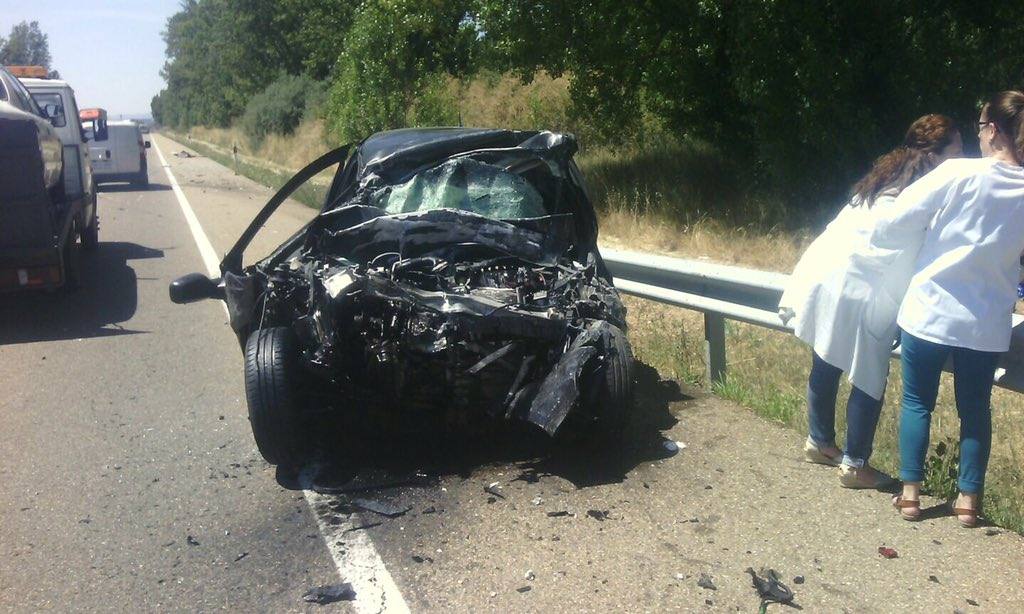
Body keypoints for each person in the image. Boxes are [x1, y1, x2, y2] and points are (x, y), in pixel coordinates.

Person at [779, 115, 962, 489]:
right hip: (867, 290)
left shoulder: (888, 176)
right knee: (869, 375)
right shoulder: (927, 192)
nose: (963, 158)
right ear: (939, 154)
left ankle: (819, 441)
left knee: (827, 356)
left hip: (830, 272)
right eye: (958, 150)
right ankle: (855, 464)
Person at [880, 91, 1024, 527]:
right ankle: (968, 502)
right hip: (986, 323)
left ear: (993, 130)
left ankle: (910, 496)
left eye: (980, 126)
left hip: (930, 309)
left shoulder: (958, 172)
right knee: (976, 409)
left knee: (917, 402)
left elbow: (896, 217)